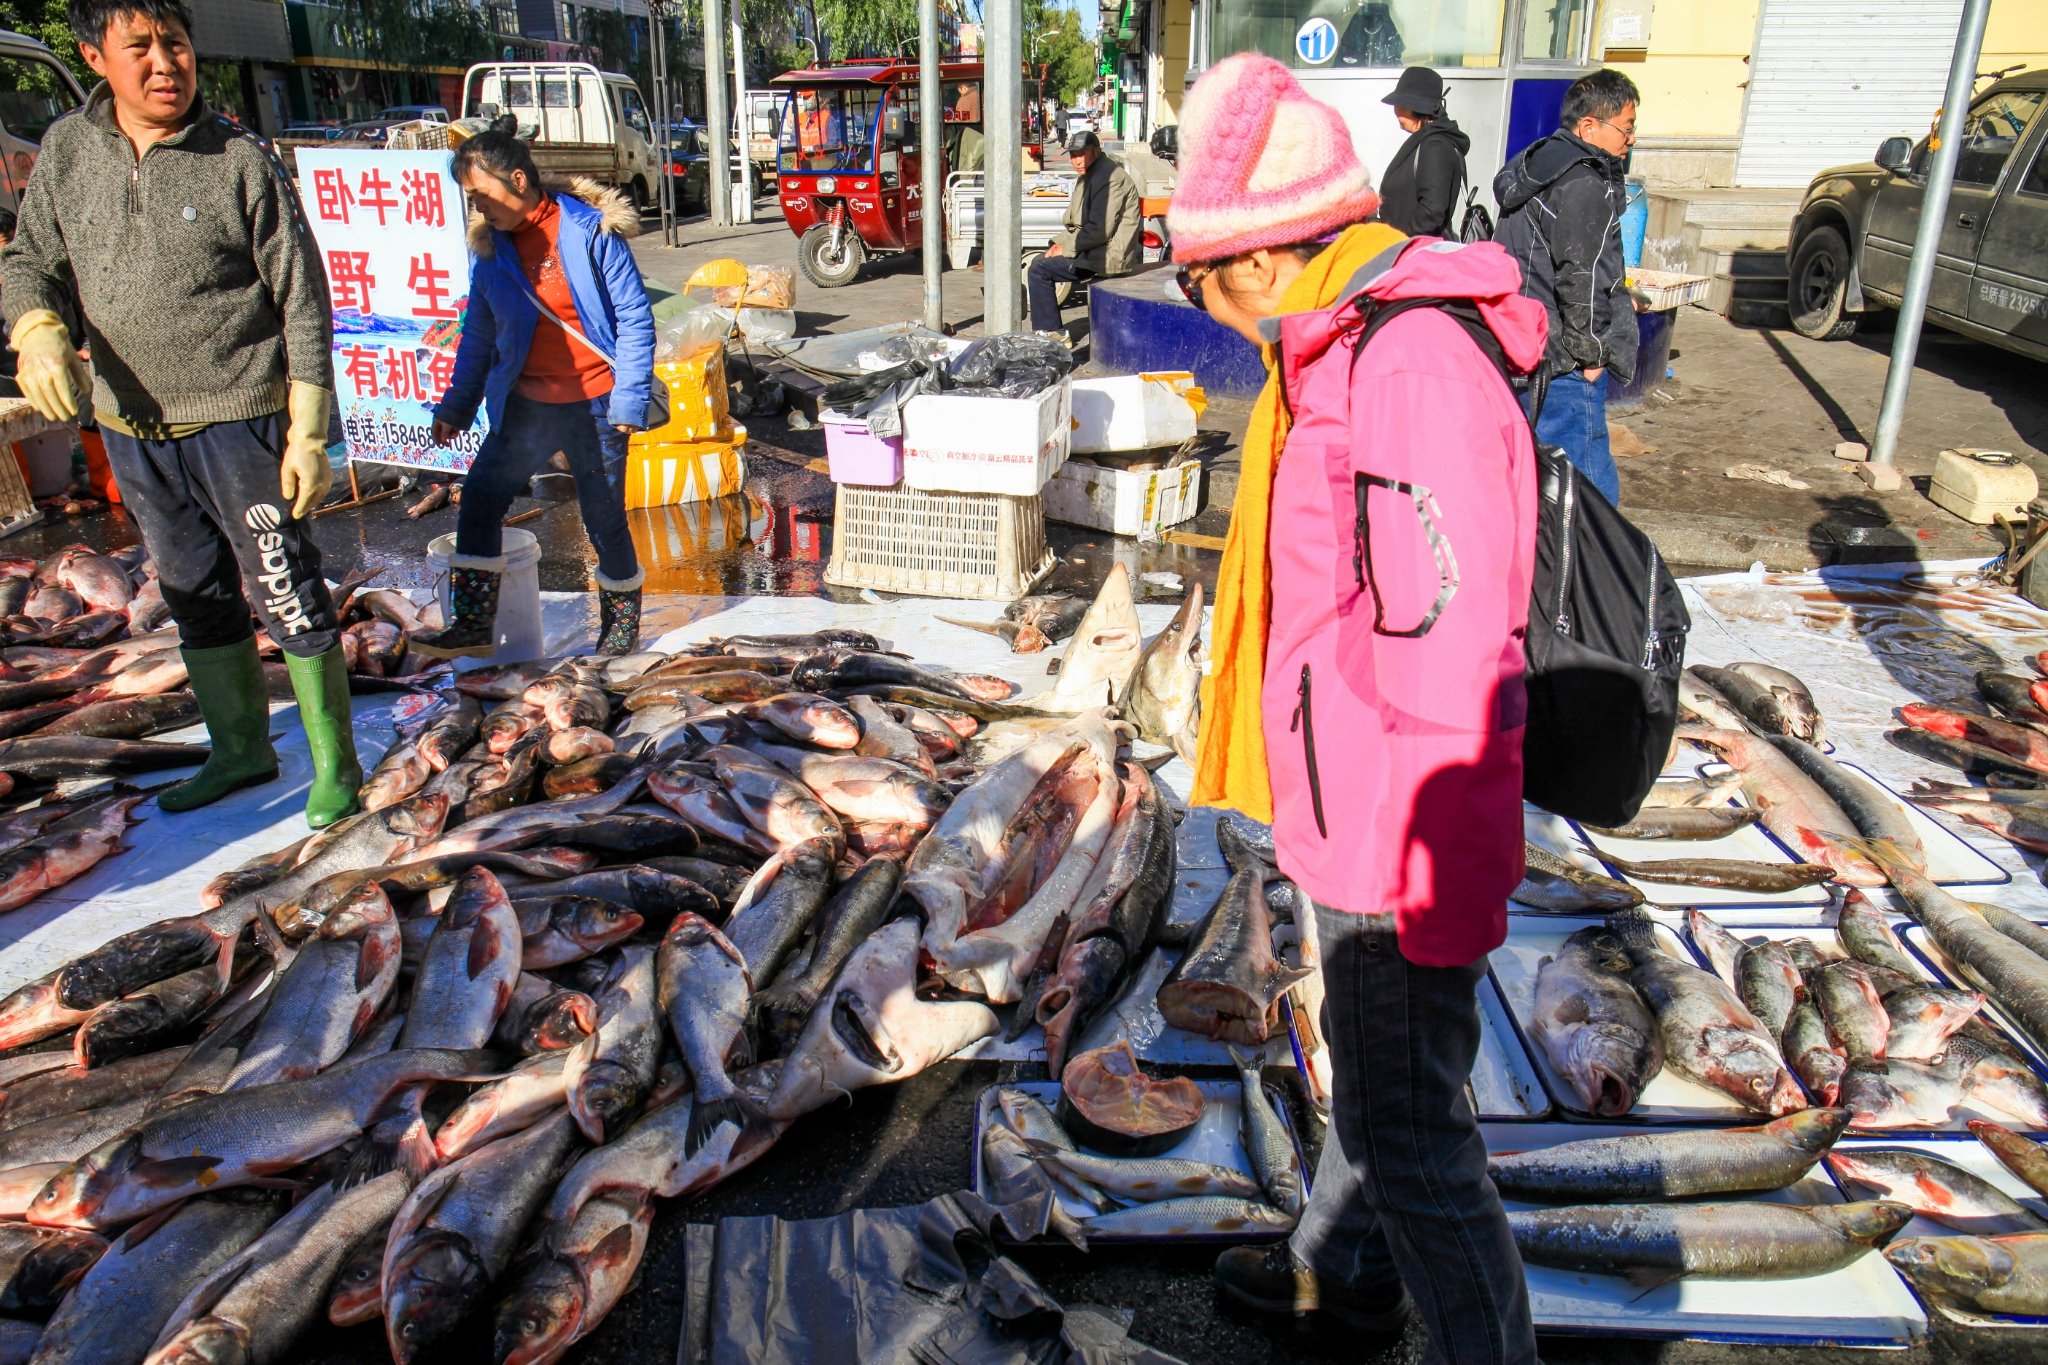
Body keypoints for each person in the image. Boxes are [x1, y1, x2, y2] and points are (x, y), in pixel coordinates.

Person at [1171, 53, 1545, 1365]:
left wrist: (1415, 878)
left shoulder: (1407, 364)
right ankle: (1341, 1276)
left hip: (1399, 824)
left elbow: (1449, 649)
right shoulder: (1346, 347)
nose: (1209, 311)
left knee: (1410, 1128)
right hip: (1360, 799)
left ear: (1265, 255)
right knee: (1381, 1078)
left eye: (1203, 281)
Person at [2, 0, 361, 828]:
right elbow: (31, 262)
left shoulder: (237, 157)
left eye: (176, 44)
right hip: (132, 427)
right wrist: (37, 329)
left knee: (286, 588)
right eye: (140, 47)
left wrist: (309, 430)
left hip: (242, 418)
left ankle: (336, 765)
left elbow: (304, 299)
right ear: (93, 56)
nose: (166, 63)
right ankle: (240, 749)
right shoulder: (67, 150)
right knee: (192, 590)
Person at [418, 130, 656, 659]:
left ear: (518, 180)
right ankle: (473, 624)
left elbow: (635, 319)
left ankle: (620, 628)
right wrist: (457, 404)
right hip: (525, 405)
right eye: (471, 199)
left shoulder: (592, 232)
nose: (478, 208)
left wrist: (629, 400)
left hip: (597, 404)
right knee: (480, 499)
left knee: (603, 517)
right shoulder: (491, 251)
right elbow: (479, 334)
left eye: (481, 195)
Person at [1493, 67, 1640, 505]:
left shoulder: (1536, 165)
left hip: (1526, 343)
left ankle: (1547, 547)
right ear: (1589, 126)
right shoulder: (1580, 183)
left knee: (1536, 475)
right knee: (1586, 486)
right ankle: (1596, 551)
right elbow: (1581, 276)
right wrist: (1591, 355)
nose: (1631, 139)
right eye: (1626, 128)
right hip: (1564, 359)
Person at [1025, 130, 1140, 335]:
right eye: (1073, 155)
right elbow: (1077, 225)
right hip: (1094, 248)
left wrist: (1065, 248)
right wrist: (1057, 244)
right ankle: (1048, 330)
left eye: (1081, 154)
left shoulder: (1110, 178)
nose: (1077, 161)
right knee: (1041, 260)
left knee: (1040, 269)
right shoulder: (1090, 175)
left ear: (1096, 151)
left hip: (1109, 255)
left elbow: (1099, 230)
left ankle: (1052, 333)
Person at [1375, 66, 1469, 238]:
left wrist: (1399, 239)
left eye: (1399, 104)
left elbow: (1431, 212)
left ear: (1416, 107)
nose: (1395, 110)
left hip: (1413, 248)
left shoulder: (1435, 146)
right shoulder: (1427, 140)